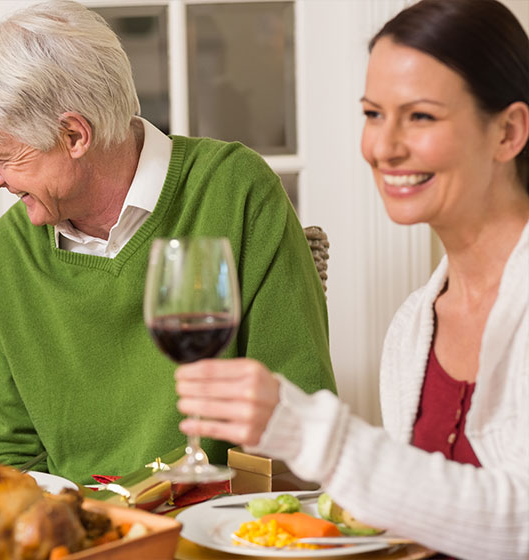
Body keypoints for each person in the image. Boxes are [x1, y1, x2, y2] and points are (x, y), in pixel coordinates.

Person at [173, 0, 528, 557]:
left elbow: (519, 523)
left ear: (508, 131)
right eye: (373, 114)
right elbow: (421, 519)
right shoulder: (414, 327)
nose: (384, 147)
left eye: (421, 116)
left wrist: (314, 433)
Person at [0, 0, 336, 485]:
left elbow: (297, 416)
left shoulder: (233, 191)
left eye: (1, 155)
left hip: (217, 526)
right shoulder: (5, 256)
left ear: (73, 135)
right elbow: (10, 458)